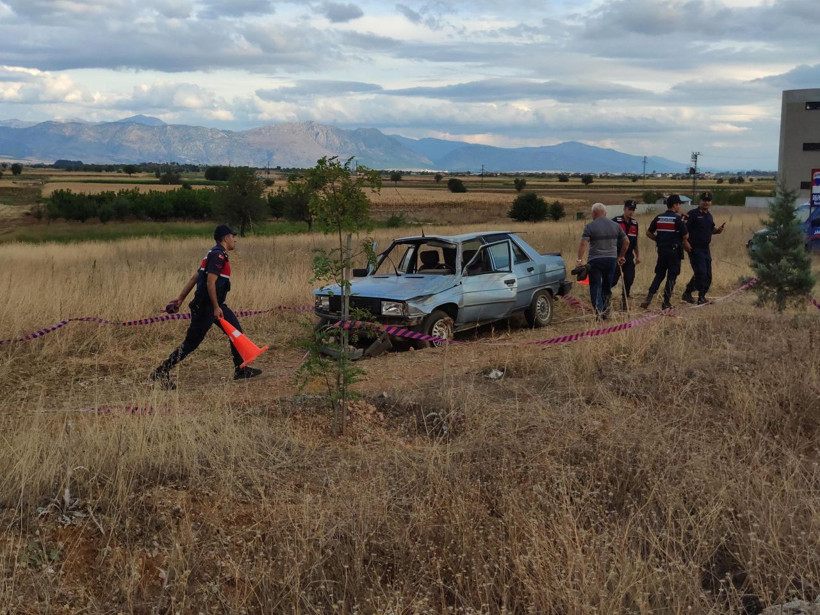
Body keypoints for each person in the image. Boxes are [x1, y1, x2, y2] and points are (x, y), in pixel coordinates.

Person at [150, 225, 262, 389]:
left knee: (236, 331)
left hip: (214, 304)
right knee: (191, 344)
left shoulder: (212, 253)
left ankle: (240, 369)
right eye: (233, 236)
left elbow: (195, 277)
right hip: (206, 306)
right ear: (225, 238)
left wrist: (180, 299)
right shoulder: (218, 256)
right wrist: (216, 307)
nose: (235, 239)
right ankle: (161, 371)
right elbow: (210, 282)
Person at [576, 203, 628, 318]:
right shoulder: (615, 226)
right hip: (611, 261)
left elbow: (583, 243)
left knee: (595, 285)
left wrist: (579, 260)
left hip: (595, 261)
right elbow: (626, 241)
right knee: (607, 285)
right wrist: (621, 256)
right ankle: (606, 310)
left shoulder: (590, 226)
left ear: (594, 214)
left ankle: (598, 312)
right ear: (605, 213)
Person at [640, 195, 691, 310]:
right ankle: (666, 301)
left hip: (662, 251)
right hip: (674, 251)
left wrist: (658, 239)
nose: (680, 206)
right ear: (675, 205)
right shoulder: (677, 219)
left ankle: (648, 298)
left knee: (659, 274)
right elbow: (686, 235)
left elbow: (648, 233)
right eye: (679, 204)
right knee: (672, 276)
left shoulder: (659, 217)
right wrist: (684, 224)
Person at [681, 191, 725, 305]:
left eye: (708, 200)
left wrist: (717, 231)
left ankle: (699, 295)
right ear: (700, 201)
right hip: (694, 248)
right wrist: (685, 242)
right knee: (701, 272)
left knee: (708, 275)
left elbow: (711, 229)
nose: (706, 202)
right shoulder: (692, 214)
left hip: (706, 248)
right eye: (704, 200)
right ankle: (692, 294)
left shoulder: (709, 216)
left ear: (711, 202)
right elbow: (682, 229)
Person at [611, 199, 641, 309]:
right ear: (624, 209)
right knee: (613, 280)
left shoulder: (635, 223)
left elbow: (635, 241)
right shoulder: (615, 221)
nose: (631, 212)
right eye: (629, 209)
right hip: (616, 255)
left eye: (633, 210)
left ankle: (624, 302)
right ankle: (603, 297)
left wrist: (637, 255)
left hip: (629, 256)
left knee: (629, 279)